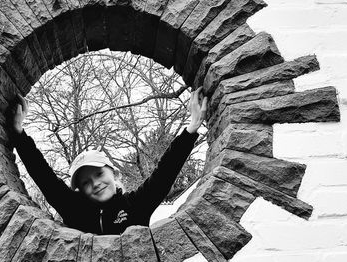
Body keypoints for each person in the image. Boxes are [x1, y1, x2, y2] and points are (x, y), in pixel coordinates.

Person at [11, 87, 207, 235]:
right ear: (79, 189)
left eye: (98, 174)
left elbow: (165, 172)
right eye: (85, 182)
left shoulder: (136, 204)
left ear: (114, 174)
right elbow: (43, 175)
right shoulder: (73, 209)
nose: (95, 184)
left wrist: (191, 129)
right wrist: (19, 134)